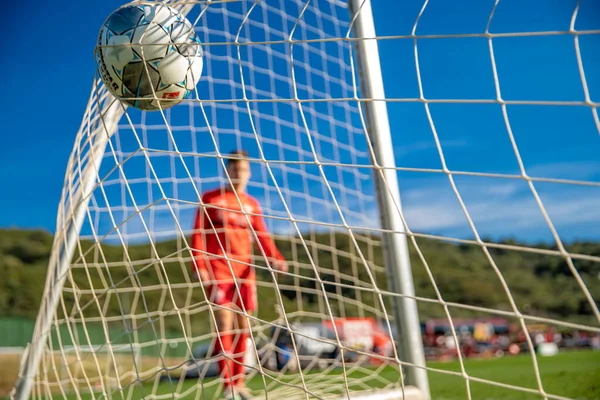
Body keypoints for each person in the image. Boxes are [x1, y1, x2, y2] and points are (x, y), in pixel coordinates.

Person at [191, 150, 288, 400]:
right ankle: (228, 387)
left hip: (244, 273)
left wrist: (275, 257)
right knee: (224, 324)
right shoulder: (210, 198)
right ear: (228, 171)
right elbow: (198, 234)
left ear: (249, 173)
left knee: (243, 326)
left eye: (243, 169)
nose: (239, 173)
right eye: (235, 169)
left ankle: (240, 382)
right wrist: (199, 265)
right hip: (217, 270)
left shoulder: (251, 204)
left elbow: (262, 236)